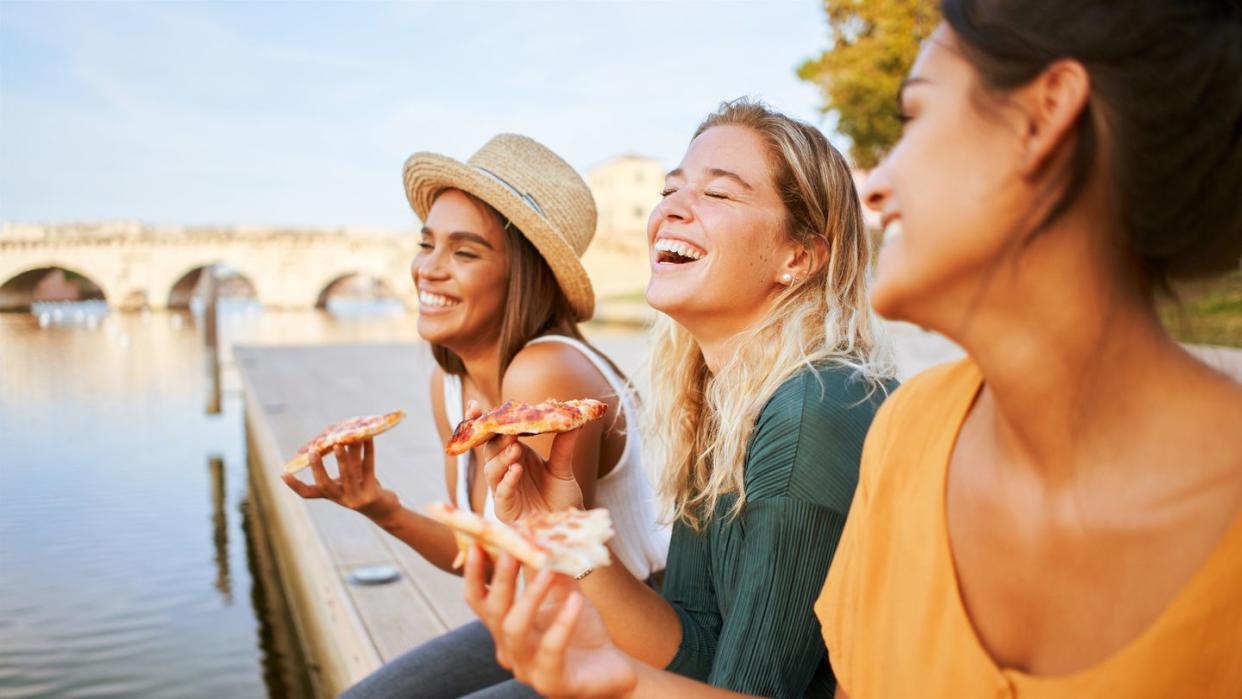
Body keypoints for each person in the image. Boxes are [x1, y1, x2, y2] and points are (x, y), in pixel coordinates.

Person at [480, 2, 1242, 698]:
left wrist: (606, 679)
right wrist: (576, 569)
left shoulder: (828, 407)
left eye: (913, 118)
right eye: (674, 187)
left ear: (1043, 120)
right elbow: (709, 642)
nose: (873, 186)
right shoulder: (911, 431)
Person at [467, 98, 896, 698]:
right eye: (671, 189)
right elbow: (697, 648)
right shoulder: (723, 399)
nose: (671, 209)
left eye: (717, 195)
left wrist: (608, 682)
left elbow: (750, 690)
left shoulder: (812, 410)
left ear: (798, 256)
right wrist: (565, 529)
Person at [281, 133, 669, 698]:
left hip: (623, 639)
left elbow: (550, 565)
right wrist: (380, 508)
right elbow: (485, 557)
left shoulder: (546, 374)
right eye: (427, 244)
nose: (428, 270)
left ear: (523, 277)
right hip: (543, 618)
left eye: (464, 252)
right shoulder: (451, 384)